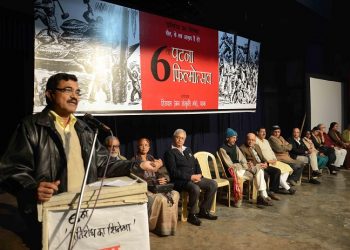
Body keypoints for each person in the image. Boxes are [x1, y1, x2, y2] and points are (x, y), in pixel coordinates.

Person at [0, 73, 155, 250]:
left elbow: (104, 164)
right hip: (50, 213)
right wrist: (31, 189)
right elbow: (11, 169)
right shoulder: (32, 126)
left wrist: (137, 165)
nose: (74, 96)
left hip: (84, 210)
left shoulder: (84, 129)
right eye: (67, 90)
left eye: (77, 92)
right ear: (49, 94)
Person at [164, 129, 218, 226]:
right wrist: (190, 177)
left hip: (193, 178)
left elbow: (195, 164)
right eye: (178, 138)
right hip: (179, 181)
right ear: (173, 138)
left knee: (213, 184)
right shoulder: (169, 153)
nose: (180, 140)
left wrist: (199, 175)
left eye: (182, 138)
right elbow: (173, 172)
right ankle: (192, 214)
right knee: (195, 188)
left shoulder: (187, 149)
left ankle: (204, 210)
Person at [132, 137, 179, 236]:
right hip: (145, 188)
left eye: (146, 145)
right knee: (161, 199)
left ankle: (170, 226)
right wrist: (152, 181)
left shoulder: (151, 158)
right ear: (138, 147)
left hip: (156, 185)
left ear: (149, 147)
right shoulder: (134, 160)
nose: (144, 147)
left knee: (175, 194)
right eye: (141, 145)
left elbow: (160, 172)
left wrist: (163, 179)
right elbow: (136, 178)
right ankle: (159, 228)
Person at [218, 128, 273, 207]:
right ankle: (263, 195)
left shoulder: (235, 147)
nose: (235, 139)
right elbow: (230, 165)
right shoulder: (222, 149)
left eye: (236, 138)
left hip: (241, 169)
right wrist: (244, 167)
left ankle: (263, 196)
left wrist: (245, 166)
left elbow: (242, 159)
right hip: (232, 172)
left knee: (259, 170)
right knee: (258, 169)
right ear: (227, 138)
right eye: (233, 137)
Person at [239, 133, 282, 201]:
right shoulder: (242, 148)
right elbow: (244, 162)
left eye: (253, 140)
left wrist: (266, 163)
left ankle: (272, 191)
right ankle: (265, 194)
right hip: (256, 167)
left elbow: (262, 157)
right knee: (265, 175)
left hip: (262, 165)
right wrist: (256, 165)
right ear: (246, 140)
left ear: (255, 140)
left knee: (277, 171)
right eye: (249, 140)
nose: (251, 141)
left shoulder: (256, 146)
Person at [255, 127, 296, 195]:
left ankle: (280, 185)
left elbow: (271, 151)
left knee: (287, 167)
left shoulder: (266, 141)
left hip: (273, 160)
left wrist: (274, 159)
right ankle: (287, 187)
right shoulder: (256, 141)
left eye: (265, 131)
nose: (264, 133)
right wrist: (268, 161)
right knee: (278, 171)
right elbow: (260, 154)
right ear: (257, 133)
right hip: (267, 162)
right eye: (262, 131)